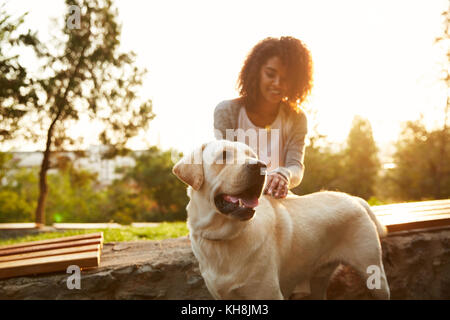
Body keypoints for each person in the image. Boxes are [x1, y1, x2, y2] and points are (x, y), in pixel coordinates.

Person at [213, 36, 313, 199]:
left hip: (277, 200)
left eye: (285, 79)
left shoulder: (297, 118)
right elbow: (226, 163)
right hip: (237, 197)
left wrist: (283, 175)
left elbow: (295, 167)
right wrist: (259, 179)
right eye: (270, 74)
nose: (277, 83)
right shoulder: (227, 111)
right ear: (257, 71)